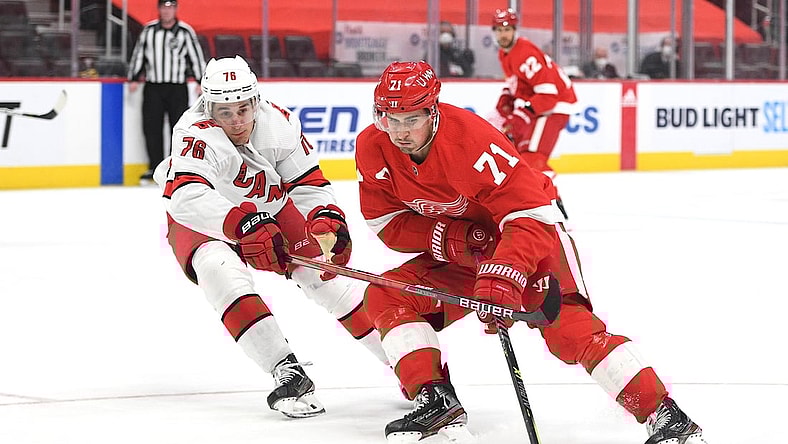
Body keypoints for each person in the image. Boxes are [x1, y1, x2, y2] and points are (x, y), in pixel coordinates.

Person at [354, 60, 708, 444]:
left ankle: (665, 415)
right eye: (390, 118)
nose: (400, 132)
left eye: (411, 119)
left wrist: (505, 272)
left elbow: (532, 216)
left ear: (433, 110)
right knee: (386, 293)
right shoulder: (373, 147)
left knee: (568, 331)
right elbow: (385, 223)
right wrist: (451, 237)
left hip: (531, 241)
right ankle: (435, 399)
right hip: (466, 254)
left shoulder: (470, 142)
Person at [152, 55, 388, 418]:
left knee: (325, 277)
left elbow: (308, 183)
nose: (236, 120)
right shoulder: (194, 131)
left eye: (242, 109)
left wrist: (325, 219)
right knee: (218, 268)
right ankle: (287, 372)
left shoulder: (279, 123)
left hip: (269, 208)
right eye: (224, 111)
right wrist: (241, 224)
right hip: (204, 219)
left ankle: (406, 364)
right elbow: (187, 196)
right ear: (207, 106)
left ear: (256, 101)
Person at [492, 8, 575, 220]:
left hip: (554, 108)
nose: (503, 34)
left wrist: (523, 113)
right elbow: (516, 83)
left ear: (514, 30)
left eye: (507, 29)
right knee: (521, 157)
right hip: (540, 108)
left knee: (533, 159)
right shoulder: (505, 53)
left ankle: (553, 207)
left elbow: (549, 95)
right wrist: (506, 96)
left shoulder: (525, 52)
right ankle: (543, 204)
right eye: (499, 30)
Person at [128, 0, 206, 184]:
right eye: (164, 7)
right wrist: (133, 77)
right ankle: (155, 167)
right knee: (151, 127)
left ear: (176, 9)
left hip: (177, 87)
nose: (167, 11)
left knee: (178, 127)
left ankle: (176, 167)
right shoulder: (149, 31)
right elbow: (139, 54)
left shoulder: (185, 32)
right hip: (153, 86)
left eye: (170, 7)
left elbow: (195, 56)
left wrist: (200, 80)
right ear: (159, 9)